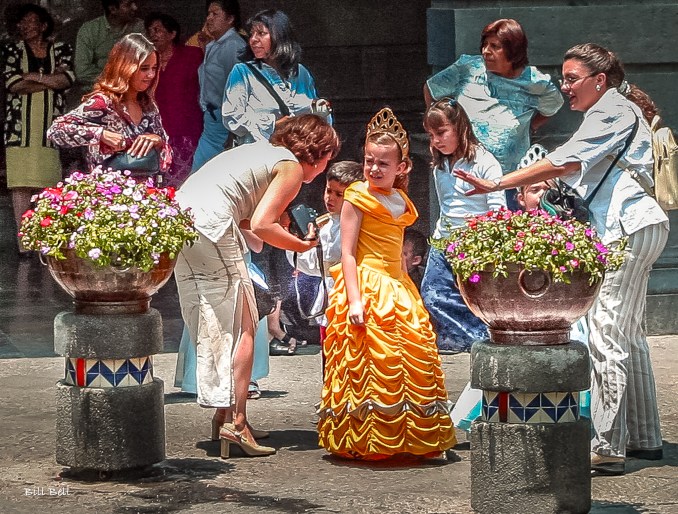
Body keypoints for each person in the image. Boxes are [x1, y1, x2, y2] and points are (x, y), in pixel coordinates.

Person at [454, 43, 669, 476]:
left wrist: (496, 183)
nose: (564, 86)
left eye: (572, 78)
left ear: (599, 80)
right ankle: (644, 437)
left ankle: (607, 444)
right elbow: (571, 165)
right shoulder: (613, 110)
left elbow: (563, 160)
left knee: (608, 333)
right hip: (640, 224)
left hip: (626, 225)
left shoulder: (614, 109)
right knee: (627, 332)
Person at [174, 114, 340, 459]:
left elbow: (251, 217)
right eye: (326, 161)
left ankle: (224, 417)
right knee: (244, 324)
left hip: (182, 218)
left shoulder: (261, 151)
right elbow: (264, 226)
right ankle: (236, 423)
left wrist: (284, 231)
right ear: (318, 153)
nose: (323, 170)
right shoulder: (291, 167)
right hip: (211, 222)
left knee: (220, 321)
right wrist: (304, 246)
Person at [317, 108, 456, 460]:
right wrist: (355, 300)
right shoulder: (357, 197)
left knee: (412, 357)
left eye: (382, 163)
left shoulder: (400, 199)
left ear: (401, 167)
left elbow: (397, 254)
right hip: (367, 282)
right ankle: (369, 437)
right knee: (370, 362)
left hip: (398, 284)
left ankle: (412, 437)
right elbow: (347, 253)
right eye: (369, 162)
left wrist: (410, 288)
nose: (374, 169)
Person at [423, 18, 563, 206]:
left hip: (509, 181)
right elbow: (431, 89)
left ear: (513, 51)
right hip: (464, 175)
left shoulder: (536, 83)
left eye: (495, 46)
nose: (486, 51)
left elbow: (552, 106)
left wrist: (529, 127)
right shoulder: (468, 68)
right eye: (485, 45)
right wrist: (437, 130)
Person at [420, 98, 506, 353]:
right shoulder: (440, 166)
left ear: (460, 128)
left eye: (442, 132)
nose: (436, 140)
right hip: (444, 239)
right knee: (432, 293)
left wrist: (491, 244)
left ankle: (476, 336)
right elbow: (445, 203)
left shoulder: (484, 161)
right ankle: (467, 336)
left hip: (474, 243)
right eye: (431, 135)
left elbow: (497, 208)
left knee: (476, 297)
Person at [3, 4, 75, 255]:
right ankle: (25, 244)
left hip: (50, 127)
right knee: (20, 185)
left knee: (49, 185)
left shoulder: (61, 48)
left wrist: (32, 76)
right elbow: (13, 84)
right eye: (21, 22)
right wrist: (49, 80)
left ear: (43, 26)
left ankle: (47, 241)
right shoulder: (12, 50)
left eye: (30, 21)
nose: (24, 26)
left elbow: (67, 79)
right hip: (19, 128)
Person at [47, 33, 172, 177]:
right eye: (144, 68)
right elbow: (55, 131)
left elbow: (167, 160)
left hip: (146, 193)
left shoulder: (149, 106)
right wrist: (100, 134)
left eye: (154, 68)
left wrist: (159, 142)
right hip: (109, 193)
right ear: (125, 67)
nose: (151, 74)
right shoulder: (103, 102)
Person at [280, 161, 364, 357]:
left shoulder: (354, 224)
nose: (330, 198)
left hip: (348, 296)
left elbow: (322, 261)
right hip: (329, 300)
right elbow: (311, 264)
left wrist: (298, 245)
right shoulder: (325, 223)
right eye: (328, 190)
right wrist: (294, 240)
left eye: (339, 194)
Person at [221, 8, 329, 146]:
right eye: (252, 34)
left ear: (280, 36)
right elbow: (231, 117)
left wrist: (321, 111)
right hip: (259, 154)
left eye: (261, 33)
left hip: (295, 152)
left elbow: (316, 116)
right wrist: (274, 124)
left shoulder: (300, 73)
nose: (253, 40)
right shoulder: (242, 72)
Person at [145, 12, 203, 187]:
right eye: (150, 31)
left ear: (172, 34)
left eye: (158, 30)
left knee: (186, 183)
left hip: (188, 131)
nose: (153, 35)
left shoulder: (193, 55)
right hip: (157, 132)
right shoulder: (146, 61)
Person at [191, 0, 245, 171]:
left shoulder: (233, 45)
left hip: (224, 118)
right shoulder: (213, 44)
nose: (209, 18)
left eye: (215, 14)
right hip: (212, 116)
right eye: (208, 14)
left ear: (230, 19)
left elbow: (238, 85)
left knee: (201, 170)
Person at [74, 0, 143, 97]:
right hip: (97, 92)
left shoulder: (140, 28)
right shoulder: (89, 30)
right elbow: (82, 71)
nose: (135, 7)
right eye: (128, 5)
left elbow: (146, 64)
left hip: (132, 93)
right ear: (113, 9)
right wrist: (115, 81)